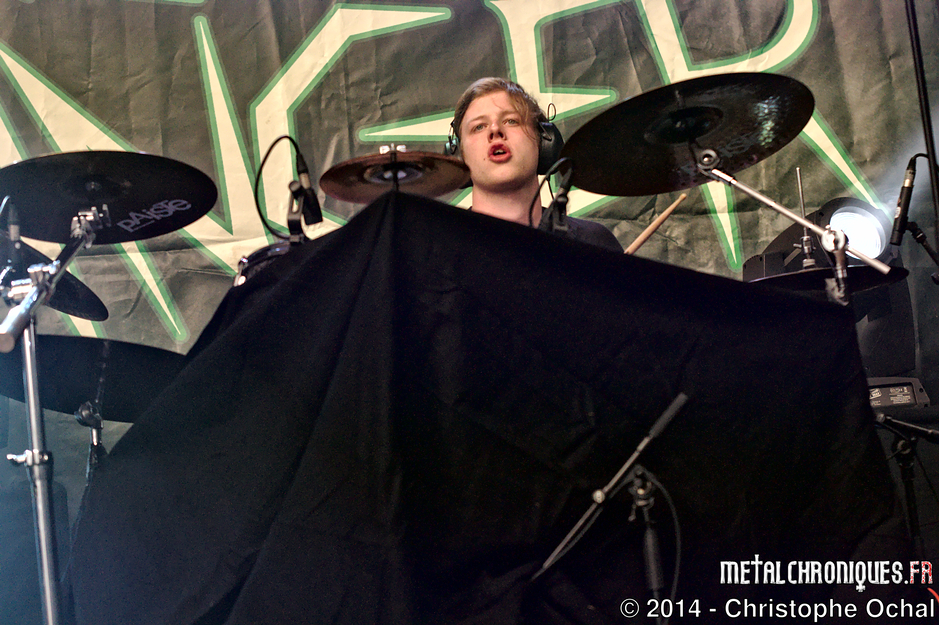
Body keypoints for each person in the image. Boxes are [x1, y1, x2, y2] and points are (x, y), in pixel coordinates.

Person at [450, 77, 622, 251]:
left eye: (511, 121)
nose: (495, 130)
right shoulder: (439, 250)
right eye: (479, 127)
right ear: (459, 156)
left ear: (544, 142)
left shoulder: (594, 244)